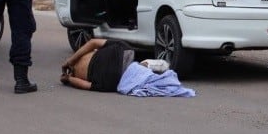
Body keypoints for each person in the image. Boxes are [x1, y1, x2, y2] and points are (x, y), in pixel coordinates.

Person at [60, 38, 195, 97]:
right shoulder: (85, 63)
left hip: (117, 66)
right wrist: (69, 73)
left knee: (136, 69)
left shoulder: (82, 62)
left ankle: (148, 66)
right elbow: (93, 43)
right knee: (137, 70)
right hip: (117, 71)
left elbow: (87, 85)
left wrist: (69, 74)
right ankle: (148, 66)